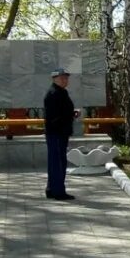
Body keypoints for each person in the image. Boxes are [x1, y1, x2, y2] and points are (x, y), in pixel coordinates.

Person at [43, 67, 79, 200]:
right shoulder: (54, 94)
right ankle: (58, 191)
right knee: (58, 163)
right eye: (62, 78)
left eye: (66, 78)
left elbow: (62, 112)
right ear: (55, 79)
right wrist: (69, 115)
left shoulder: (60, 92)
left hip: (59, 132)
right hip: (57, 133)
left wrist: (71, 114)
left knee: (55, 162)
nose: (65, 80)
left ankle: (52, 188)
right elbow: (55, 116)